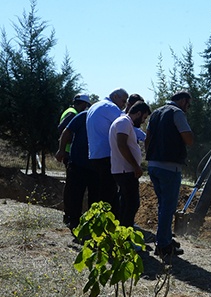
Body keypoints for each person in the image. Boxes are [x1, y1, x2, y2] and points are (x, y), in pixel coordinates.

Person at [145, 91, 194, 258]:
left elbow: (148, 138)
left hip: (153, 165)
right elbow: (188, 139)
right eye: (188, 103)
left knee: (163, 205)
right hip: (169, 167)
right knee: (168, 207)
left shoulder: (156, 113)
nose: (188, 107)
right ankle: (163, 245)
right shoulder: (177, 113)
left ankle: (164, 238)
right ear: (182, 101)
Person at [55, 103, 99, 230]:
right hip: (78, 162)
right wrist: (61, 150)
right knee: (74, 193)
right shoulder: (83, 116)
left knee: (95, 195)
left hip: (96, 165)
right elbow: (66, 131)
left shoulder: (105, 119)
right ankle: (72, 219)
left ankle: (92, 222)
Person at [86, 88, 128, 218]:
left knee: (96, 191)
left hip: (94, 155)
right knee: (109, 192)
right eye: (123, 101)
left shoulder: (94, 107)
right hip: (106, 155)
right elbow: (126, 124)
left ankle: (94, 220)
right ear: (115, 96)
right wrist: (145, 136)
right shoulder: (110, 107)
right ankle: (108, 222)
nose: (124, 105)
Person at [109, 101, 151, 228]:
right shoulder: (123, 122)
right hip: (125, 171)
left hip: (124, 170)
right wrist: (135, 166)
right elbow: (122, 145)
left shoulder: (124, 122)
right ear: (138, 113)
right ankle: (125, 233)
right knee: (132, 203)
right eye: (144, 117)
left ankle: (123, 231)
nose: (143, 121)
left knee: (127, 203)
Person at [57, 94, 91, 164]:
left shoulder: (70, 111)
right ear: (83, 104)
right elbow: (62, 128)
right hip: (69, 151)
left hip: (68, 150)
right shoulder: (72, 114)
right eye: (86, 106)